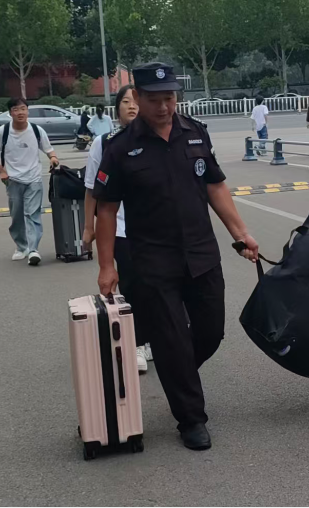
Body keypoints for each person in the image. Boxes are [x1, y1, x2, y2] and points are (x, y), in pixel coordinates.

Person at [92, 62, 259, 451]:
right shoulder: (120, 148)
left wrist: (240, 233)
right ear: (137, 98)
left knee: (210, 332)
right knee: (170, 339)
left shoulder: (195, 133)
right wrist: (106, 266)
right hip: (152, 261)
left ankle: (176, 371)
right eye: (155, 100)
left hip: (201, 254)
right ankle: (191, 419)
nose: (164, 106)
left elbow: (215, 186)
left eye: (170, 98)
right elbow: (106, 210)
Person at [83, 85, 152, 374]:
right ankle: (137, 342)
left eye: (136, 101)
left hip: (157, 228)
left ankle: (157, 335)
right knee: (133, 285)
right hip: (121, 228)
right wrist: (89, 228)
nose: (132, 106)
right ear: (117, 108)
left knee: (159, 285)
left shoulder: (158, 138)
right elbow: (92, 189)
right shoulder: (103, 144)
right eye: (125, 101)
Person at [0, 98, 60, 265]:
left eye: (23, 109)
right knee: (17, 216)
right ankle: (22, 247)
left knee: (32, 214)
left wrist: (53, 158)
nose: (20, 112)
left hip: (34, 178)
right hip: (13, 180)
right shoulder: (2, 132)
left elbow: (49, 149)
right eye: (16, 109)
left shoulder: (36, 130)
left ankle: (33, 250)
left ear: (27, 111)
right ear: (10, 113)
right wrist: (1, 171)